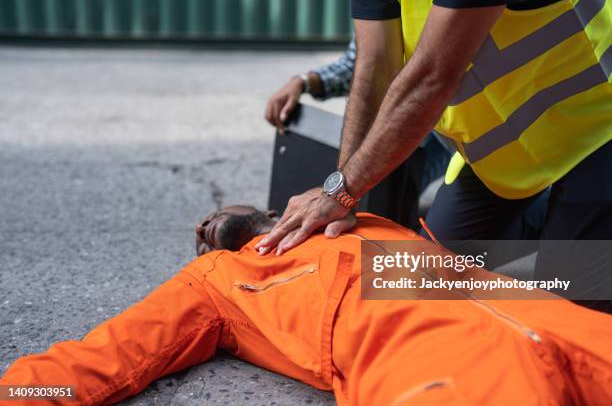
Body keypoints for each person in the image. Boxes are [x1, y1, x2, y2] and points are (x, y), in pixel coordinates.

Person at [2, 205, 612, 405]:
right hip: (429, 354)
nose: (207, 224)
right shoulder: (215, 280)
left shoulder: (342, 214)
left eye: (216, 214)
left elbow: (509, 263)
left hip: (542, 317)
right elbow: (107, 355)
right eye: (202, 229)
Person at [254, 0, 612, 306]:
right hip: (500, 163)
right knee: (419, 286)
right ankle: (549, 223)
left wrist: (342, 192)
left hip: (596, 132)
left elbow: (433, 76)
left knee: (564, 317)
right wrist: (341, 194)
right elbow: (375, 65)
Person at [264, 36, 454, 228]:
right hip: (424, 124)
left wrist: (342, 193)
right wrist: (304, 82)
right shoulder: (376, 13)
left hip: (454, 131)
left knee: (392, 202)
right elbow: (362, 66)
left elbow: (429, 79)